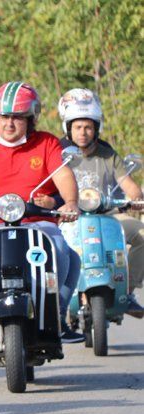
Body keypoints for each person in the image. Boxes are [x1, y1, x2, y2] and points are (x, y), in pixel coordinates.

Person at [0, 81, 82, 348]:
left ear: (30, 120)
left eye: (17, 118)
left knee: (60, 249)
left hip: (37, 223)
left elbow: (63, 174)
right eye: (4, 117)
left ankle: (57, 317)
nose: (9, 124)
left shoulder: (47, 143)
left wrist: (71, 202)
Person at [58, 88, 144, 318]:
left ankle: (127, 291)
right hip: (69, 219)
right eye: (77, 127)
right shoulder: (58, 154)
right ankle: (54, 298)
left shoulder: (108, 155)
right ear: (68, 128)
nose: (83, 132)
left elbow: (129, 186)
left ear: (97, 128)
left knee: (142, 234)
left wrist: (136, 199)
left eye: (88, 127)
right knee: (49, 246)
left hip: (108, 217)